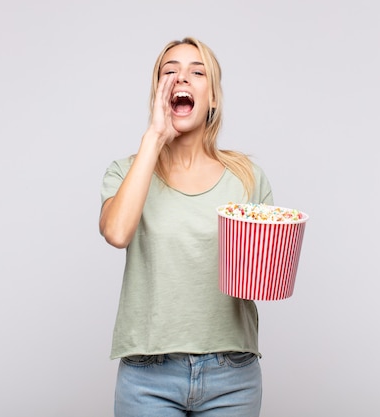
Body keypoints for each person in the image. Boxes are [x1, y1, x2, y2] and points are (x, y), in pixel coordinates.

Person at [99, 37, 274, 417]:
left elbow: (263, 270)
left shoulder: (246, 177)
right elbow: (116, 233)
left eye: (197, 72)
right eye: (169, 72)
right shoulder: (126, 171)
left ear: (212, 98)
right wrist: (154, 137)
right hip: (148, 376)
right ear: (158, 93)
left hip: (233, 376)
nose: (182, 78)